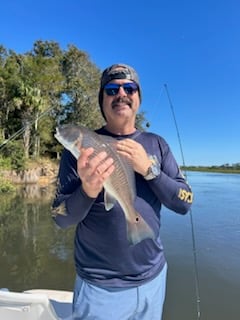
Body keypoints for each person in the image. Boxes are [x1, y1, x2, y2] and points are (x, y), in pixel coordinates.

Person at [52, 63, 193, 320]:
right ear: (102, 99)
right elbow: (60, 218)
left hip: (153, 279)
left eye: (129, 88)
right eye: (111, 89)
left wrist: (151, 171)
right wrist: (88, 190)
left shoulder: (157, 145)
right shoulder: (80, 151)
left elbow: (185, 203)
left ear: (138, 97)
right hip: (99, 286)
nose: (121, 94)